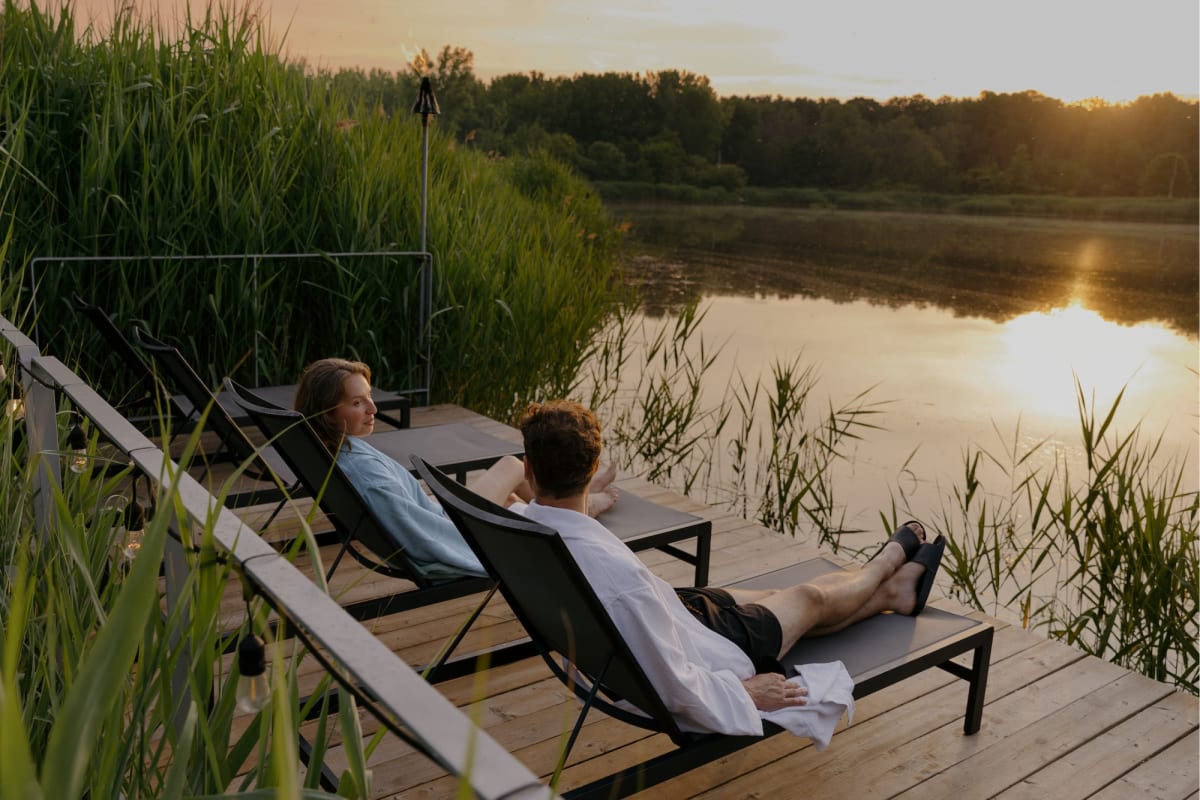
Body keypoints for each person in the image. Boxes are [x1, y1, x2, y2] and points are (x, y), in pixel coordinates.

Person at [513, 400, 947, 740]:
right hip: (701, 643)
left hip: (679, 613)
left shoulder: (526, 531)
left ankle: (895, 594)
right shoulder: (618, 584)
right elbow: (673, 684)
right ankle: (889, 564)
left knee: (776, 597)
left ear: (529, 470)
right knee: (809, 599)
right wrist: (744, 692)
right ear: (593, 470)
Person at [292, 358, 619, 580]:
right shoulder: (366, 474)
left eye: (369, 397)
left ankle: (584, 498)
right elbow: (424, 538)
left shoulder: (336, 454)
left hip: (442, 518)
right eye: (357, 402)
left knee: (510, 501)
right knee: (512, 466)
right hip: (453, 530)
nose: (373, 408)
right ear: (327, 413)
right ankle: (583, 502)